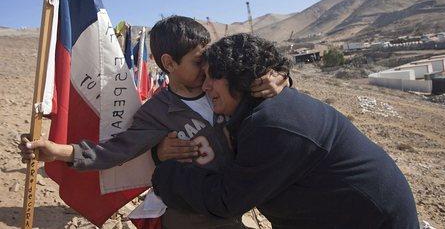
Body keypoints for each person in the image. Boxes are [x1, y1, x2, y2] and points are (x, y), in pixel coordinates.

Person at [20, 17, 288, 229]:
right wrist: (58, 152)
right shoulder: (156, 112)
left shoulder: (222, 85)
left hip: (234, 199)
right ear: (169, 63)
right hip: (194, 214)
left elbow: (265, 83)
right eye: (197, 62)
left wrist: (282, 79)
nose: (207, 69)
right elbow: (114, 151)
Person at [152, 33, 420, 229]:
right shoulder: (267, 106)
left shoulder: (270, 125)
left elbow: (227, 199)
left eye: (212, 76)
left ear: (237, 75)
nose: (206, 87)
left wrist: (165, 175)